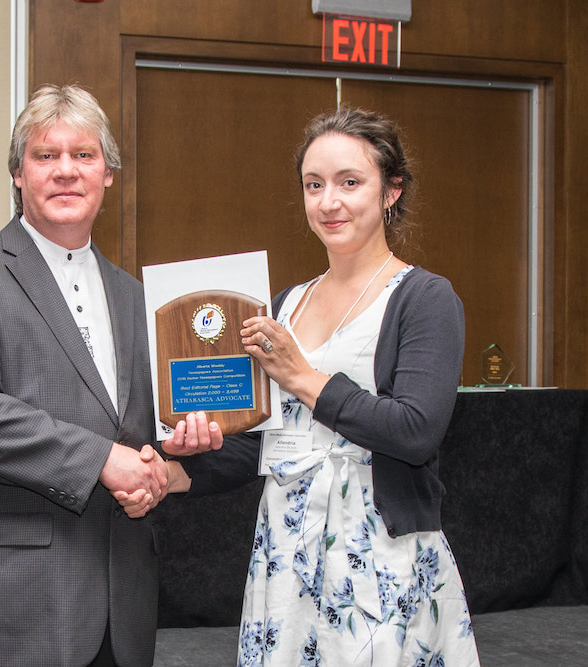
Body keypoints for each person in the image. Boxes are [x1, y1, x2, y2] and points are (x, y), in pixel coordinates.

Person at [158, 107, 481, 666]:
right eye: (314, 185)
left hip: (380, 554)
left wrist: (303, 377)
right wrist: (178, 468)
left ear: (391, 191)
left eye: (349, 182)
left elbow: (415, 432)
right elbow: (262, 444)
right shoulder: (285, 304)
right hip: (286, 549)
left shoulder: (425, 299)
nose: (329, 201)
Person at [0, 84, 174, 667]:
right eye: (45, 155)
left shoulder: (138, 298)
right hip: (8, 606)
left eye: (84, 155)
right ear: (18, 173)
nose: (66, 170)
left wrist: (175, 451)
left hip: (120, 612)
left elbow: (143, 431)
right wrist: (103, 460)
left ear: (108, 174)